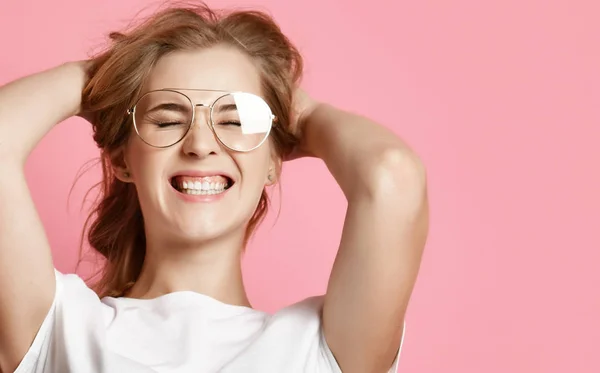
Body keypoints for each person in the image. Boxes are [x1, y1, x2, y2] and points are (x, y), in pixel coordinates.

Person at [0, 2, 429, 373]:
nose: (201, 144)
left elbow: (390, 175)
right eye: (167, 119)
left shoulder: (322, 350)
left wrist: (296, 111)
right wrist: (103, 77)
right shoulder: (56, 329)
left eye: (236, 120)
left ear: (274, 161)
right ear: (123, 158)